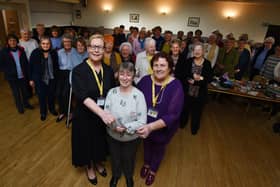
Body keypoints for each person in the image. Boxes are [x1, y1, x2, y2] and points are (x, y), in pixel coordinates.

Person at [71, 34, 115, 185]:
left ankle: (98, 162)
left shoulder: (108, 70)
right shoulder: (78, 71)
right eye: (93, 47)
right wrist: (102, 113)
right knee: (87, 142)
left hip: (102, 117)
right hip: (85, 116)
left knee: (99, 141)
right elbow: (83, 96)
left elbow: (112, 93)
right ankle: (89, 167)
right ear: (88, 48)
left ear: (104, 50)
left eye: (100, 47)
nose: (96, 50)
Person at [137, 52, 184, 186]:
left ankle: (153, 170)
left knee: (159, 147)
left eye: (163, 65)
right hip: (145, 124)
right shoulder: (145, 80)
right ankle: (146, 163)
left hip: (163, 126)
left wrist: (150, 127)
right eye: (156, 65)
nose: (159, 68)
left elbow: (173, 114)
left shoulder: (176, 85)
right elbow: (135, 98)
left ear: (169, 68)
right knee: (146, 144)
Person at [105, 62, 147, 187]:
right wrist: (114, 127)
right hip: (113, 135)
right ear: (117, 75)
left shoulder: (139, 95)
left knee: (129, 158)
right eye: (122, 74)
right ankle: (116, 175)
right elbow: (106, 113)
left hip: (131, 137)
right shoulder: (111, 93)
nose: (125, 77)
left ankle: (129, 176)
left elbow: (142, 121)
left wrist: (125, 128)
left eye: (129, 75)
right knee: (115, 157)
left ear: (133, 76)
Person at [175, 43, 212, 134]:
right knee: (185, 110)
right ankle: (182, 124)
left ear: (203, 52)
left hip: (200, 93)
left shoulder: (207, 63)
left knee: (197, 113)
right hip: (187, 91)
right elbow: (183, 74)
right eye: (195, 50)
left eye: (199, 50)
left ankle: (194, 129)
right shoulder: (188, 61)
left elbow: (208, 78)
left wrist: (196, 81)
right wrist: (193, 75)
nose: (197, 52)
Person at [0, 34, 33, 113]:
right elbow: (1, 65)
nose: (12, 42)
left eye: (14, 40)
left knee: (24, 91)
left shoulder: (21, 50)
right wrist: (8, 71)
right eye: (10, 41)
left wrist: (28, 74)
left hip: (22, 75)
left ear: (17, 41)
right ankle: (20, 107)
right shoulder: (3, 52)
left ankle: (26, 104)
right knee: (16, 93)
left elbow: (26, 63)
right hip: (12, 77)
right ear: (8, 42)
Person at [29, 36, 59, 121]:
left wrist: (56, 77)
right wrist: (31, 79)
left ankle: (52, 109)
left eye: (48, 43)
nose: (46, 45)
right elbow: (30, 67)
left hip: (52, 79)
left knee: (51, 96)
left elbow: (56, 66)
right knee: (41, 97)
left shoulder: (53, 53)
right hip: (39, 79)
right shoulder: (35, 53)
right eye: (43, 43)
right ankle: (43, 112)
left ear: (50, 44)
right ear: (40, 44)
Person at [56, 34, 75, 123]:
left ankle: (70, 112)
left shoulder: (75, 51)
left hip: (71, 73)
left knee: (65, 93)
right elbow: (58, 65)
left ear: (71, 42)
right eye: (65, 42)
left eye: (68, 41)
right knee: (58, 93)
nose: (67, 43)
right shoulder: (59, 52)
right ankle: (62, 112)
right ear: (62, 43)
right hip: (61, 73)